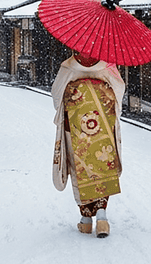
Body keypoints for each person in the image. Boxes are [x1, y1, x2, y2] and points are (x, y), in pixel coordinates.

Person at [51, 51, 125, 238]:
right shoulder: (108, 64)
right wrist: (100, 95)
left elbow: (56, 94)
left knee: (79, 167)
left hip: (76, 125)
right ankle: (102, 217)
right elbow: (118, 89)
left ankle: (85, 220)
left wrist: (77, 96)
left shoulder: (68, 66)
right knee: (102, 165)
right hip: (101, 122)